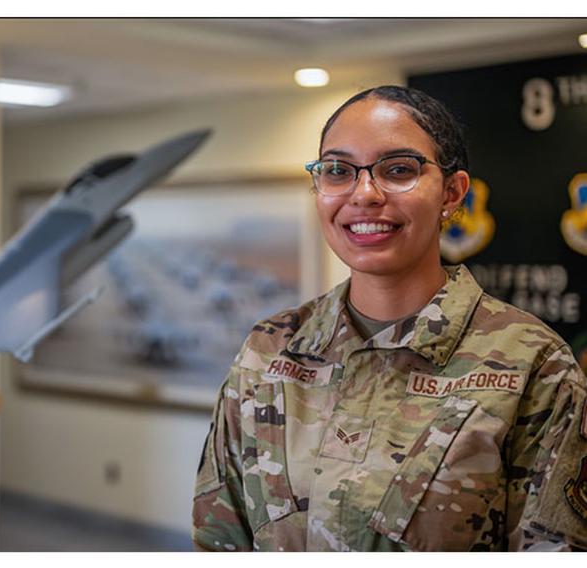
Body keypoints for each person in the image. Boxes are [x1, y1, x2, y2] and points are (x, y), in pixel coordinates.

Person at [191, 85, 587, 552]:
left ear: (452, 193)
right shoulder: (271, 349)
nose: (364, 194)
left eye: (398, 170)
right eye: (338, 170)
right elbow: (219, 539)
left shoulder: (533, 365)